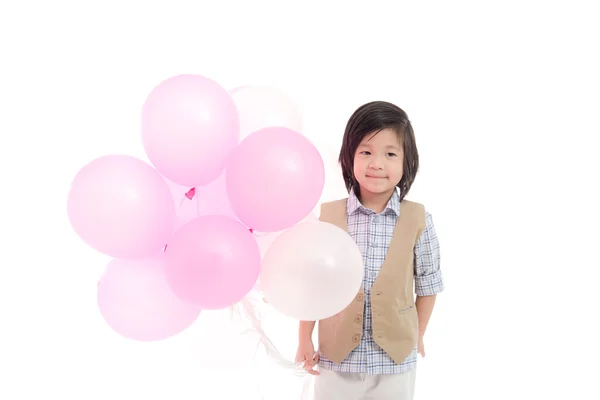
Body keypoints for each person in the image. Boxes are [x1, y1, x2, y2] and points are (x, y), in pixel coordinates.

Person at [295, 101, 444, 400]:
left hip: (395, 360)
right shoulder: (328, 217)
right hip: (337, 357)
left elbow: (428, 283)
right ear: (349, 157)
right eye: (366, 152)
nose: (377, 163)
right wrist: (304, 339)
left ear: (407, 161)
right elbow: (314, 286)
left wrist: (418, 335)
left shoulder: (419, 219)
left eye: (390, 154)